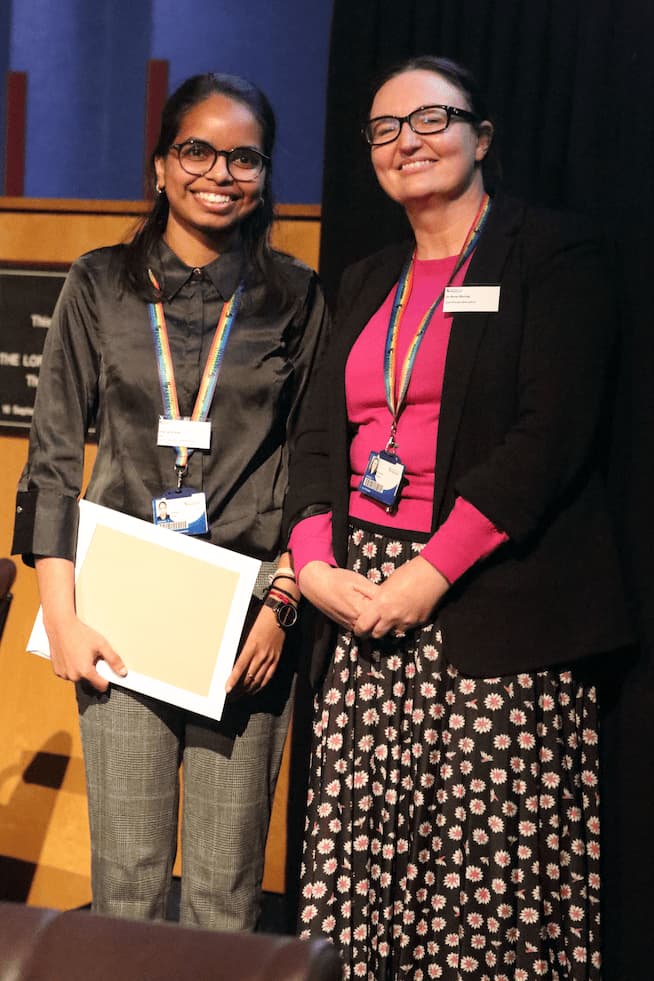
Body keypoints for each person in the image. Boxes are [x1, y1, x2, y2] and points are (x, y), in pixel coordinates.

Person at [284, 56, 632, 979]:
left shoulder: (552, 254)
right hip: (360, 609)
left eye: (432, 119)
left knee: (481, 898)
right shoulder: (366, 279)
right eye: (386, 128)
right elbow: (317, 439)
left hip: (493, 604)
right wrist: (313, 566)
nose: (408, 140)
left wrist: (430, 572)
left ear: (483, 137)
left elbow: (548, 438)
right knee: (361, 886)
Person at [12, 72, 328, 930]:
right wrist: (61, 617)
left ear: (265, 173)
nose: (219, 173)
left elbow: (316, 466)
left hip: (247, 619)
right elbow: (51, 461)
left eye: (244, 157)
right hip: (120, 614)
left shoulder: (294, 295)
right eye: (197, 150)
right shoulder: (99, 283)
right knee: (128, 884)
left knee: (226, 894)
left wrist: (284, 604)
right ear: (160, 165)